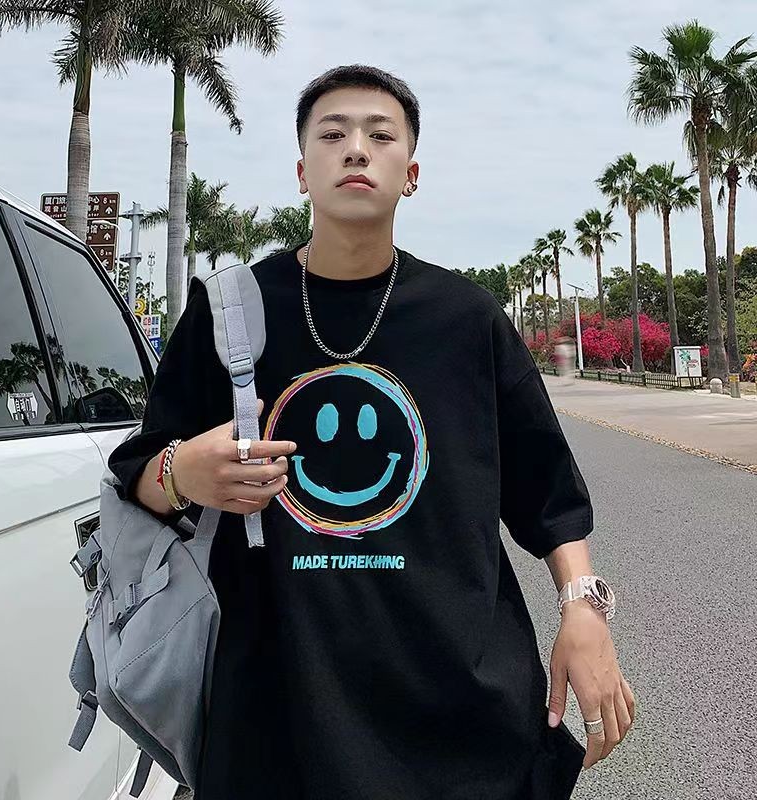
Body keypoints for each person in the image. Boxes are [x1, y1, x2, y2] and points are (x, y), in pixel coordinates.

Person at [109, 65, 635, 800]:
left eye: (380, 135)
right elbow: (137, 474)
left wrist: (583, 610)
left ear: (410, 175)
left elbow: (547, 493)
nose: (356, 148)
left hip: (459, 706)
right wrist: (182, 472)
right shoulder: (228, 314)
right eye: (333, 134)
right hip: (279, 712)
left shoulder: (467, 319)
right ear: (302, 171)